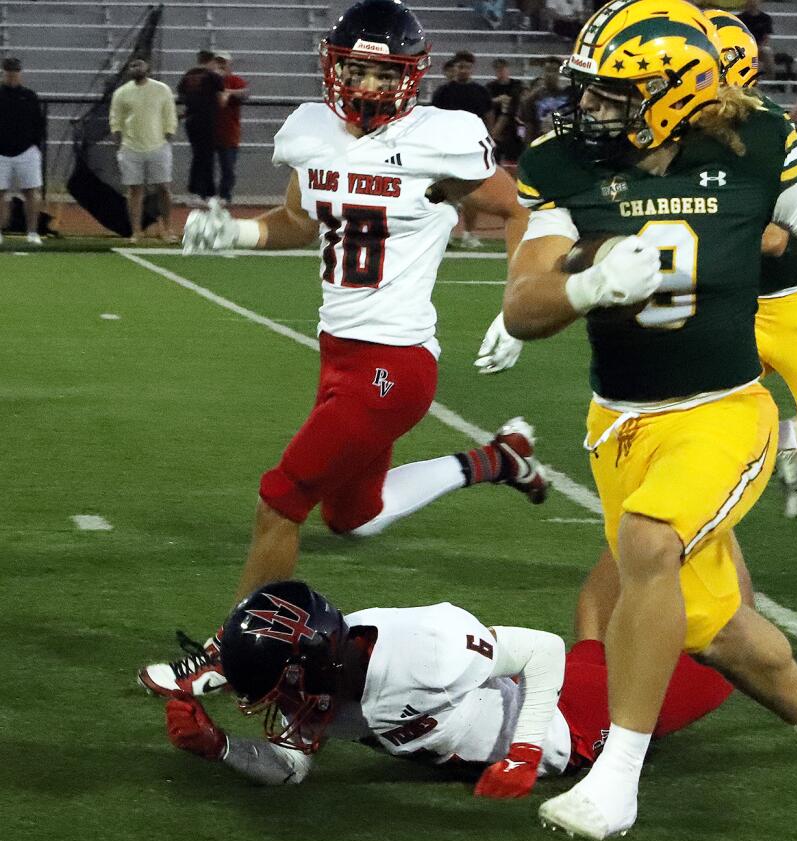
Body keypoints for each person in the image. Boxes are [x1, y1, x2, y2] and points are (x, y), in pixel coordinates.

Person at [503, 0, 797, 841]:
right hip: (619, 421)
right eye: (589, 90)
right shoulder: (563, 163)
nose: (591, 109)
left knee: (650, 544)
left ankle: (616, 781)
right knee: (714, 627)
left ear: (673, 89)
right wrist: (588, 284)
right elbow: (521, 305)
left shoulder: (754, 144)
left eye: (614, 94)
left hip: (726, 409)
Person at [137, 0, 545, 698]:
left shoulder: (439, 138)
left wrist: (517, 305)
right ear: (332, 66)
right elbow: (298, 219)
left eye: (381, 73)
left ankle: (229, 654)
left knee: (281, 498)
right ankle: (496, 458)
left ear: (410, 78)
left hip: (394, 366)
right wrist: (239, 234)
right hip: (340, 353)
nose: (364, 84)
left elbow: (517, 208)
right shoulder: (311, 131)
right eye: (353, 67)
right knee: (351, 514)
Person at [160, 581, 736, 793]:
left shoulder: (425, 650)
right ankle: (646, 522)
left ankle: (693, 518)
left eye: (275, 690)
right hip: (514, 704)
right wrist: (223, 749)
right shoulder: (328, 666)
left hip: (577, 721)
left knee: (728, 652)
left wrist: (526, 751)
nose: (277, 705)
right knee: (601, 605)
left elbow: (542, 649)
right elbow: (291, 766)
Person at [109, 58, 178, 243]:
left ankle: (168, 228)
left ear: (148, 67)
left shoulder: (161, 89)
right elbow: (116, 118)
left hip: (158, 146)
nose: (135, 68)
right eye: (132, 65)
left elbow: (170, 114)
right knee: (134, 190)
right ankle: (136, 231)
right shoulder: (121, 93)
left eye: (139, 64)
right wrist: (119, 140)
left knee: (163, 188)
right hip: (131, 147)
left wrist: (168, 135)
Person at [432, 51, 495, 248]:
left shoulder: (480, 91)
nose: (463, 70)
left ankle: (469, 234)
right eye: (460, 67)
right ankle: (446, 234)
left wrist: (489, 139)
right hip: (448, 147)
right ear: (454, 68)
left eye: (467, 67)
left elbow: (488, 115)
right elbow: (434, 120)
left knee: (471, 193)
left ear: (471, 69)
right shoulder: (443, 92)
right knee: (444, 192)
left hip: (473, 149)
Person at [0, 57, 44, 246]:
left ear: (20, 73)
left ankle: (32, 232)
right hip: (1, 152)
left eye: (15, 72)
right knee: (0, 193)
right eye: (9, 72)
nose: (12, 75)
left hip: (27, 151)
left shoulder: (29, 96)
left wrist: (33, 144)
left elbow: (38, 123)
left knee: (31, 191)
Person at [177, 50, 227, 204]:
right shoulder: (213, 77)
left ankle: (200, 192)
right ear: (211, 61)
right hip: (207, 120)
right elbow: (221, 100)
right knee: (206, 157)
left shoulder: (188, 75)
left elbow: (182, 96)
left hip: (191, 120)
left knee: (198, 155)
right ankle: (203, 192)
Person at [214, 51, 249, 204]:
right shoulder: (209, 81)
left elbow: (244, 93)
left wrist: (227, 92)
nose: (221, 65)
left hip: (229, 134)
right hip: (209, 132)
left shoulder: (235, 81)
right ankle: (206, 195)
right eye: (218, 62)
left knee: (228, 169)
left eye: (224, 62)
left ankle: (224, 196)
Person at [517, 56, 571, 145]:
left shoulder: (567, 96)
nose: (550, 74)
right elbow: (528, 127)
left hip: (562, 144)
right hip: (540, 143)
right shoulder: (532, 98)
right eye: (548, 70)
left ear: (558, 73)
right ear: (543, 72)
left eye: (554, 71)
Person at [486, 58, 525, 165]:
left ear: (507, 69)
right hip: (496, 123)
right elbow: (486, 102)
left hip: (514, 124)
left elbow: (521, 99)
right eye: (498, 69)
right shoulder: (490, 87)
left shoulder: (517, 84)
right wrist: (498, 100)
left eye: (503, 69)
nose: (501, 72)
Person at [738, 0, 775, 80]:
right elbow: (738, 36)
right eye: (751, 1)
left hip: (760, 46)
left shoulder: (765, 18)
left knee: (767, 51)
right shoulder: (740, 18)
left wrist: (760, 47)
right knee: (755, 62)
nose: (753, 3)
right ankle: (753, 80)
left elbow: (766, 36)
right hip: (745, 48)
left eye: (755, 1)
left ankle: (771, 77)